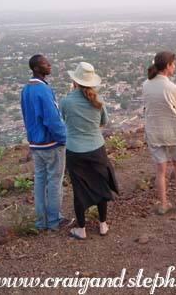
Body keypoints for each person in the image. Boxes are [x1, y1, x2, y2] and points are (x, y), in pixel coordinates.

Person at [59, 62, 119, 240]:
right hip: (96, 148)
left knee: (79, 188)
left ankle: (82, 229)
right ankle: (102, 225)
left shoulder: (66, 101)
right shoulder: (99, 101)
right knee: (100, 185)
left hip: (75, 150)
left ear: (75, 81)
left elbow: (65, 119)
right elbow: (103, 122)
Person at [143, 51, 176, 215]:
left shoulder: (146, 85)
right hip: (172, 131)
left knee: (160, 170)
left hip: (155, 131)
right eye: (173, 64)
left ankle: (163, 204)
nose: (175, 67)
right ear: (167, 66)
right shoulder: (172, 87)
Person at [21, 54, 67, 230]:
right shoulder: (43, 90)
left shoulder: (26, 89)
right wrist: (63, 139)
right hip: (50, 143)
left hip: (35, 143)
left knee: (40, 182)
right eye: (45, 63)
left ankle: (40, 221)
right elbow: (52, 119)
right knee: (55, 181)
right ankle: (55, 220)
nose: (49, 65)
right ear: (36, 68)